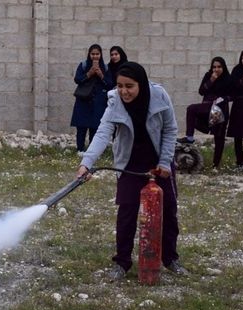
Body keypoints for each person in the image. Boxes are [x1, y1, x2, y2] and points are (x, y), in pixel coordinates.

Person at [76, 61, 188, 282]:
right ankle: (122, 262)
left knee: (168, 212)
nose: (124, 91)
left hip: (158, 162)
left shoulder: (160, 96)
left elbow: (170, 129)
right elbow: (102, 132)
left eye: (129, 86)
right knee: (126, 213)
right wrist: (86, 163)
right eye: (120, 86)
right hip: (129, 163)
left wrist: (165, 163)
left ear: (141, 84)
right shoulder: (114, 101)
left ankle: (170, 258)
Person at [178, 57, 232, 169]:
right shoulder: (209, 76)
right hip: (207, 105)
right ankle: (189, 137)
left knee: (219, 137)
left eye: (219, 67)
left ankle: (215, 166)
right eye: (214, 67)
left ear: (223, 67)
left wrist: (223, 98)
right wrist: (211, 79)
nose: (216, 69)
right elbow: (201, 91)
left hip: (220, 109)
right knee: (192, 109)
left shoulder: (227, 78)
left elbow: (232, 95)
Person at [70, 44, 113, 153]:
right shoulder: (83, 65)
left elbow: (110, 84)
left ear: (101, 55)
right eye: (92, 54)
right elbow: (77, 79)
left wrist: (100, 75)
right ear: (89, 55)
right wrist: (89, 74)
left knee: (95, 127)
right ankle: (80, 149)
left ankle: (92, 151)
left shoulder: (105, 67)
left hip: (98, 101)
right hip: (83, 100)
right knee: (81, 127)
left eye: (97, 54)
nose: (95, 56)